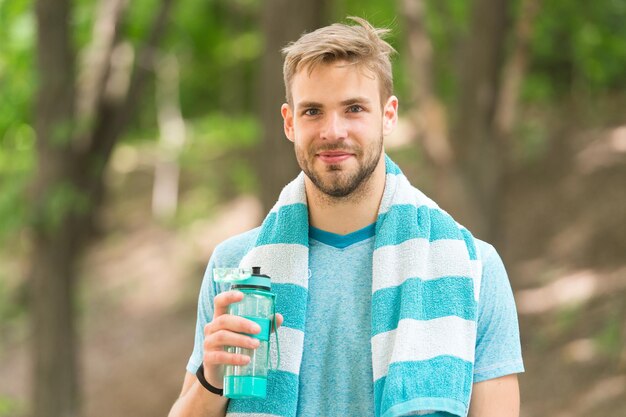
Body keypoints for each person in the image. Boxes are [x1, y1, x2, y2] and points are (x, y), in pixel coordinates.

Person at [169, 17, 524, 417]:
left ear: (388, 115)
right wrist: (211, 380)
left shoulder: (472, 268)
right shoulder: (236, 269)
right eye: (312, 112)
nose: (332, 131)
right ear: (289, 122)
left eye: (354, 108)